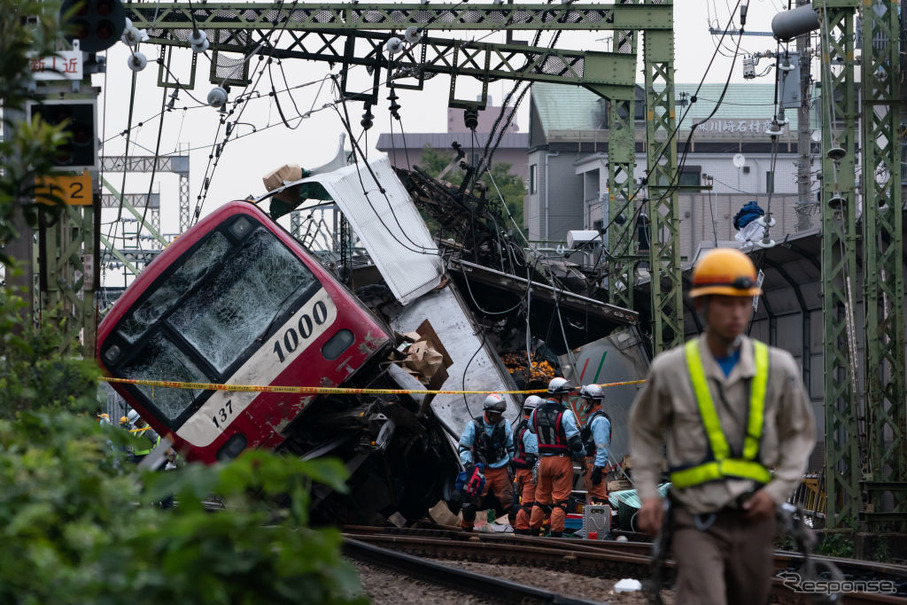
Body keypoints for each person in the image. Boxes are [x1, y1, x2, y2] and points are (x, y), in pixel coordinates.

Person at [629, 247, 816, 605]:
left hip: (755, 517)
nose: (736, 313)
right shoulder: (672, 369)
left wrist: (776, 492)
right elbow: (645, 432)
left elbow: (799, 435)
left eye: (744, 303)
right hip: (694, 516)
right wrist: (649, 494)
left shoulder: (776, 368)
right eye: (726, 303)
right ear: (702, 306)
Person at [528, 377, 585, 537]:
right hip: (561, 461)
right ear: (559, 395)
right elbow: (575, 442)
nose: (567, 398)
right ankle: (556, 535)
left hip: (543, 461)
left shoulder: (536, 411)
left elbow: (532, 429)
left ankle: (533, 532)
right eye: (565, 395)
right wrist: (582, 456)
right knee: (560, 502)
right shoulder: (565, 413)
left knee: (540, 499)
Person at [457, 393, 518, 532]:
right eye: (495, 414)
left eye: (499, 414)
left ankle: (519, 530)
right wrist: (468, 466)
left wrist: (514, 463)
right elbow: (464, 446)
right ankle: (466, 530)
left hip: (501, 468)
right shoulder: (474, 425)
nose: (498, 417)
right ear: (488, 412)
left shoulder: (505, 424)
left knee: (510, 501)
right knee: (471, 502)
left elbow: (511, 446)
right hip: (481, 470)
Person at [511, 395, 542, 535]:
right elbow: (532, 456)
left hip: (520, 470)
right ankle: (522, 529)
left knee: (524, 501)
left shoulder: (519, 426)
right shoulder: (530, 430)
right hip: (528, 472)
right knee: (529, 504)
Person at [579, 384, 611, 505]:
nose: (582, 402)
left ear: (591, 400)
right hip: (591, 466)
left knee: (599, 502)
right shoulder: (593, 419)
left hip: (595, 466)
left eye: (584, 399)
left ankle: (601, 524)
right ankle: (594, 524)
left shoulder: (600, 421)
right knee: (592, 501)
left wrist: (598, 469)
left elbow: (602, 446)